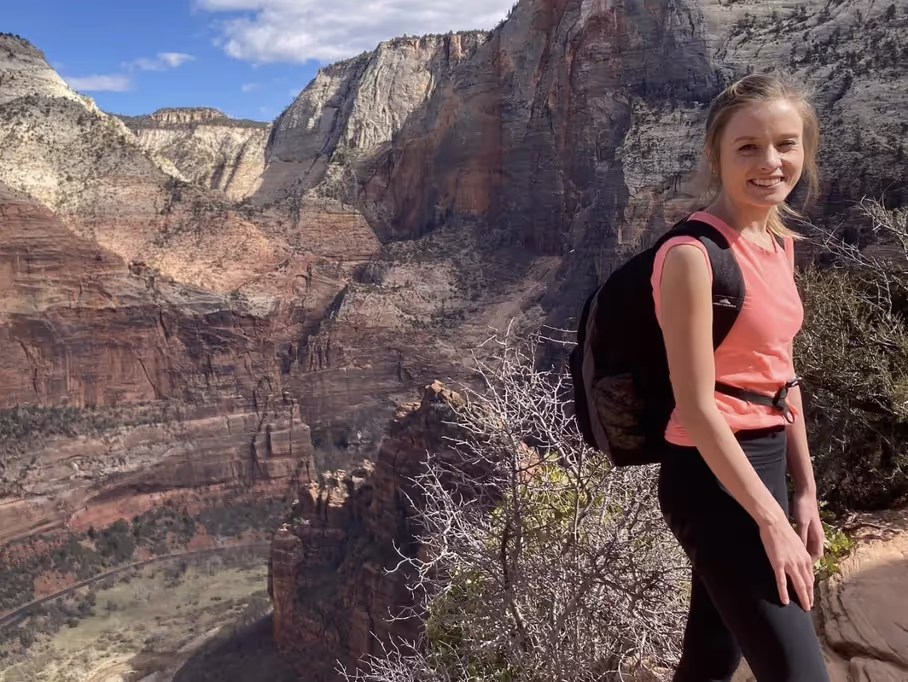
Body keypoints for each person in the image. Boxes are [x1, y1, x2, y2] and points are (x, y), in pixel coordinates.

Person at [652, 74, 831, 681]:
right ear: (716, 155)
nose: (770, 162)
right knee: (799, 672)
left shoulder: (778, 242)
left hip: (766, 460)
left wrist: (803, 489)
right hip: (709, 474)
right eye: (747, 146)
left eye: (786, 143)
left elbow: (780, 376)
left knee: (712, 653)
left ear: (805, 149)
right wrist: (771, 521)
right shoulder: (692, 257)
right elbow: (698, 408)